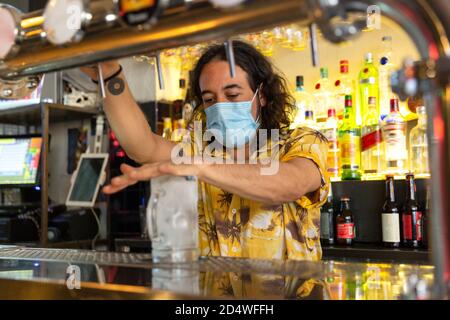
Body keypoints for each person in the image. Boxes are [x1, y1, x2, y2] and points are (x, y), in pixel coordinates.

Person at [82, 40, 329, 261]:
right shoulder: (200, 150)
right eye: (210, 99)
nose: (220, 107)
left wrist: (201, 167)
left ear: (261, 95)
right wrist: (108, 75)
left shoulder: (301, 141)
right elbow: (142, 146)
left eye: (232, 94)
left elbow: (289, 184)